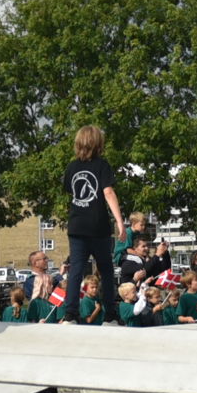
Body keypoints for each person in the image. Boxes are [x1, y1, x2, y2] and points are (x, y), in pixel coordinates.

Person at [64, 126, 126, 324]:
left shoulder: (71, 167)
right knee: (106, 270)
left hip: (76, 225)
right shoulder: (102, 165)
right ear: (98, 143)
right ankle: (110, 315)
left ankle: (70, 314)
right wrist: (119, 221)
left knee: (76, 270)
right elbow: (108, 192)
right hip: (97, 226)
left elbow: (71, 192)